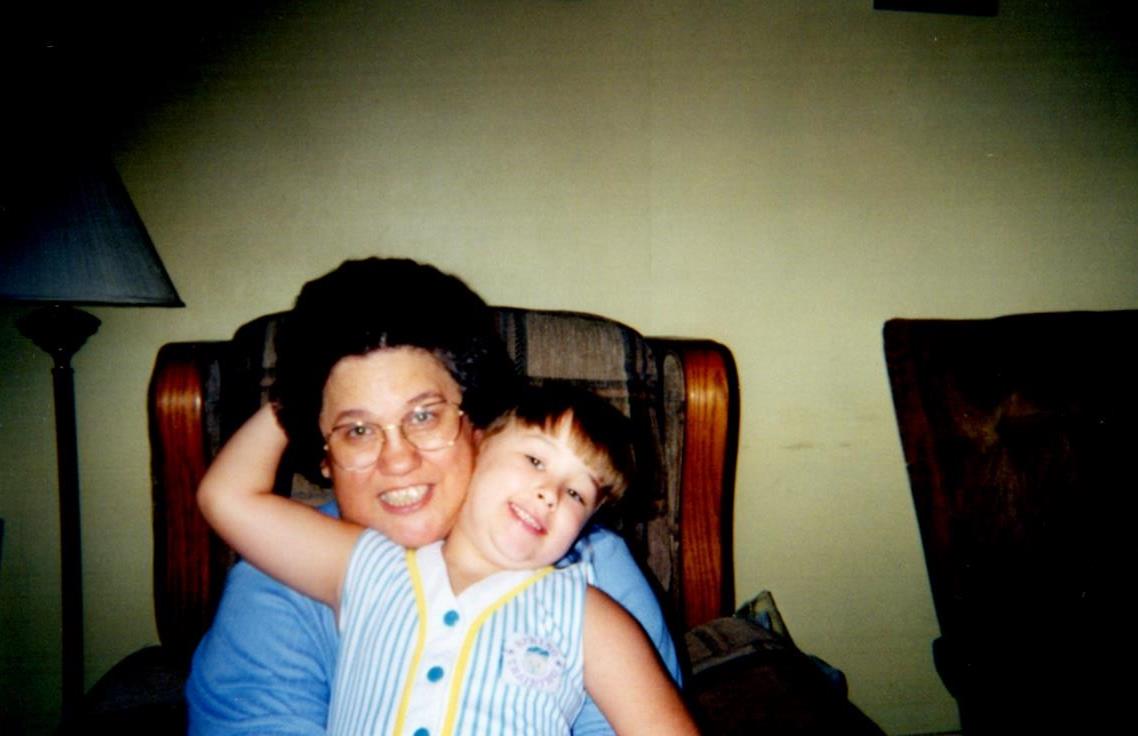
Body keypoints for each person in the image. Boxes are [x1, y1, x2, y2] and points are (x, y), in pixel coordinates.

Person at [184, 258, 680, 734]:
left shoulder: (590, 571)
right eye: (357, 430)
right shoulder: (294, 570)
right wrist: (299, 397)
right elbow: (227, 498)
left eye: (424, 416)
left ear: (479, 427)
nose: (398, 460)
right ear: (323, 455)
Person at [198, 384, 698, 735]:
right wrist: (298, 392)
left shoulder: (592, 615)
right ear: (476, 446)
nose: (549, 493)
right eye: (535, 460)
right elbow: (227, 498)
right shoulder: (367, 566)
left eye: (576, 493)